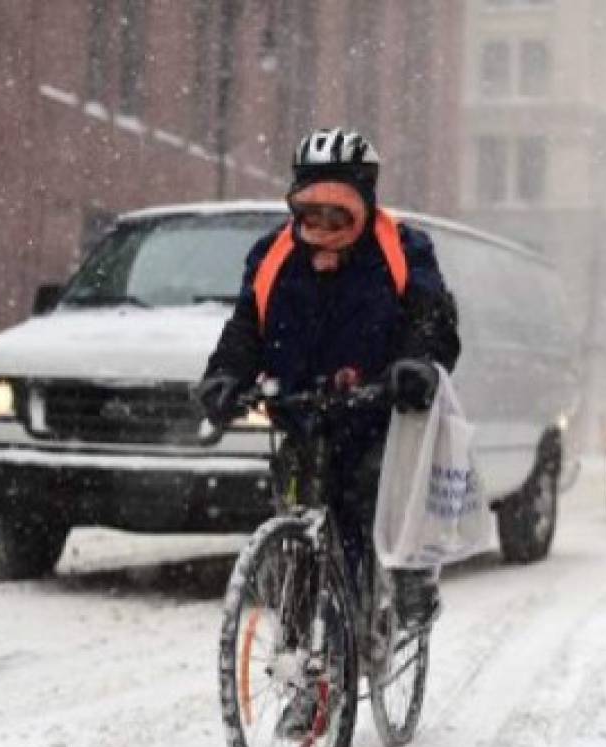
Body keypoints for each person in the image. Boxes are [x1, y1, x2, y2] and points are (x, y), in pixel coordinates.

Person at [197, 127, 461, 632]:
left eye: (336, 209)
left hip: (377, 412)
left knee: (373, 501)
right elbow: (246, 328)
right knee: (298, 526)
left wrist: (415, 364)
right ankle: (305, 665)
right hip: (300, 413)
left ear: (364, 202)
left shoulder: (404, 250)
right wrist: (226, 375)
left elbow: (430, 321)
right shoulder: (272, 256)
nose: (321, 221)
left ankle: (408, 578)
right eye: (309, 208)